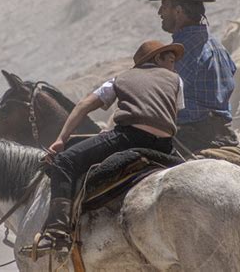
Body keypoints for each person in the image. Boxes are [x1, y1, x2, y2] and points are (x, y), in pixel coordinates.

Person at [26, 40, 185, 258]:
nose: (173, 66)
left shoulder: (121, 78)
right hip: (165, 146)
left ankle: (57, 231)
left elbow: (83, 105)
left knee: (65, 161)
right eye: (170, 60)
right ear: (156, 58)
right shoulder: (176, 80)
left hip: (128, 138)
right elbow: (169, 114)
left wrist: (61, 139)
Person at [149, 0, 239, 155]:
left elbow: (164, 98)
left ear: (178, 11)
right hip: (224, 134)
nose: (160, 12)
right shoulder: (218, 46)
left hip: (191, 137)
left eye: (165, 6)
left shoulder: (180, 51)